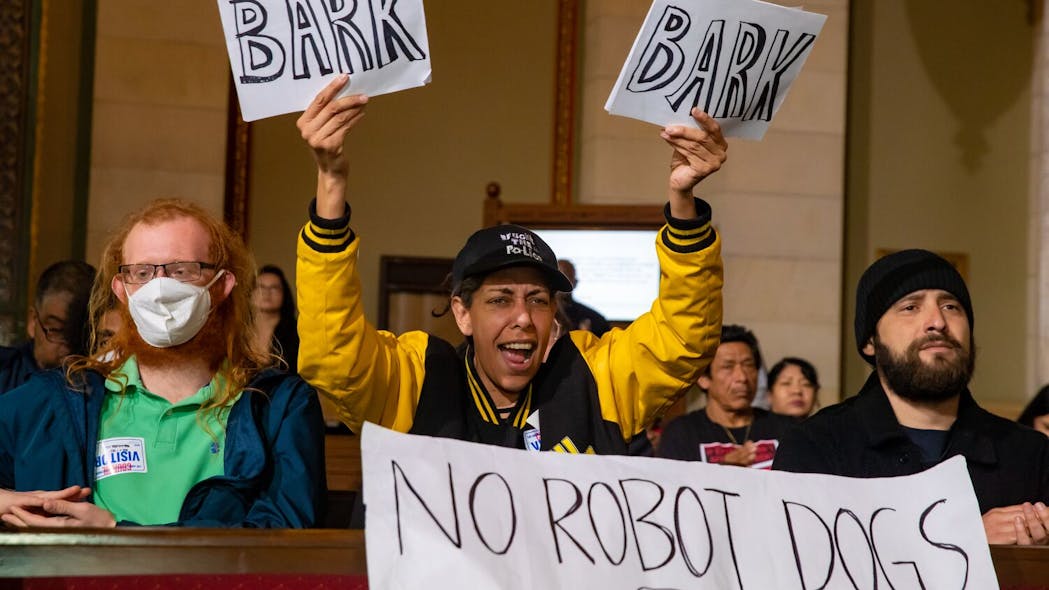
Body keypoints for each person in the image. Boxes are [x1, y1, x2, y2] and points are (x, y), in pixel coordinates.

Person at [296, 74, 726, 455]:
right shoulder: (416, 380)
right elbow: (335, 356)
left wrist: (683, 203)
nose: (523, 317)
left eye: (538, 300)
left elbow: (683, 339)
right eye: (501, 299)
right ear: (462, 312)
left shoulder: (594, 378)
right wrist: (330, 181)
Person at [0, 199, 325, 528]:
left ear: (222, 286)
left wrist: (114, 536)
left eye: (182, 270)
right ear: (122, 290)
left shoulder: (277, 408)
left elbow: (280, 542)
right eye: (142, 273)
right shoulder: (59, 399)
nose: (159, 288)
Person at [773, 249, 1049, 545]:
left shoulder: (1029, 454)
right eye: (910, 307)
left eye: (951, 307)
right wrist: (964, 540)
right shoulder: (817, 447)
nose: (937, 322)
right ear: (869, 341)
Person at [657, 324, 796, 468]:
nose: (742, 377)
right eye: (728, 367)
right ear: (703, 379)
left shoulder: (786, 429)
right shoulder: (681, 433)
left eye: (748, 365)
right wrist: (723, 472)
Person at [0, 260, 95, 393]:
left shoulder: (101, 385)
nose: (68, 347)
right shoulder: (5, 371)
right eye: (57, 330)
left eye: (80, 334)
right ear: (33, 322)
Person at [253, 264, 300, 373]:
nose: (266, 293)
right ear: (251, 293)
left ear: (284, 294)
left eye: (274, 288)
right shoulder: (238, 332)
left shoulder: (297, 332)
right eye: (261, 287)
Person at [556, 259, 611, 336]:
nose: (562, 283)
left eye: (566, 278)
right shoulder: (540, 316)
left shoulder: (596, 320)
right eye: (558, 278)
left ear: (575, 282)